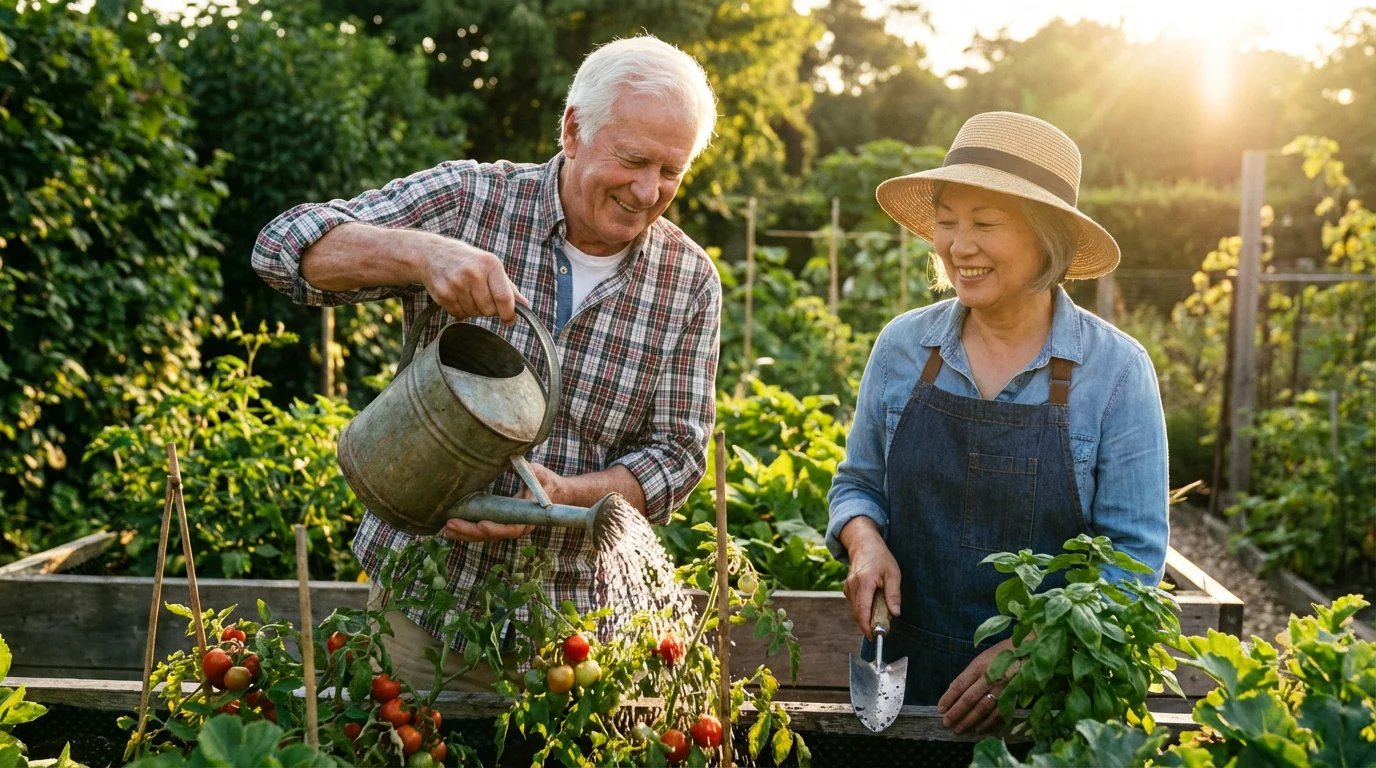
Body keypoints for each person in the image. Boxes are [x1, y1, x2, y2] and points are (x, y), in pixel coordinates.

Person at [251, 35, 721, 689]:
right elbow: (282, 247)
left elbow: (677, 456)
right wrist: (421, 255)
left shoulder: (688, 278)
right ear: (573, 130)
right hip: (423, 609)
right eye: (634, 159)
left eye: (671, 172)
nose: (647, 191)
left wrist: (564, 496)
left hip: (574, 634)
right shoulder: (472, 202)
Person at [826, 111, 1169, 733]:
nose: (960, 246)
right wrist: (864, 540)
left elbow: (1135, 563)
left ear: (1047, 237)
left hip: (1049, 705)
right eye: (948, 222)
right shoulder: (903, 349)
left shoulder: (1114, 372)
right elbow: (858, 485)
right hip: (908, 683)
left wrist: (1031, 650)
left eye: (985, 224)